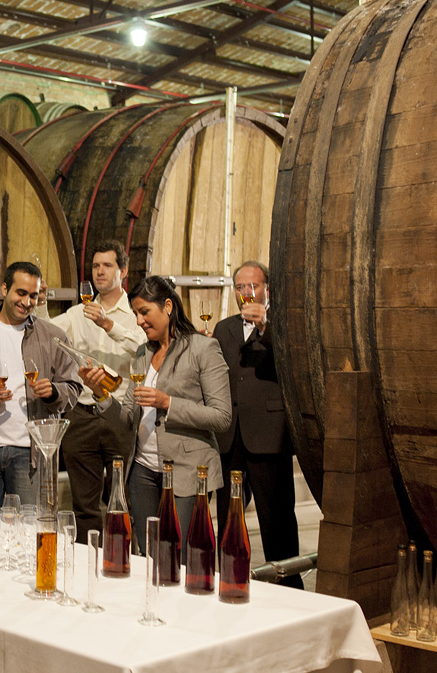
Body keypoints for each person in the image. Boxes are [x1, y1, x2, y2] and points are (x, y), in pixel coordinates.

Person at [79, 275, 231, 555]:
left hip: (187, 469)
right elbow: (126, 418)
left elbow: (221, 416)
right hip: (142, 471)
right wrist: (101, 394)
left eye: (144, 312)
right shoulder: (142, 353)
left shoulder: (203, 349)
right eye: (136, 313)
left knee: (180, 556)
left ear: (168, 306)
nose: (138, 321)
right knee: (150, 554)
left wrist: (168, 403)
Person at [0, 261, 82, 512]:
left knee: (30, 534)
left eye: (33, 295)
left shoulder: (54, 337)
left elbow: (73, 388)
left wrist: (53, 392)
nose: (27, 302)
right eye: (21, 293)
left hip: (31, 454)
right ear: (4, 289)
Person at [213, 261, 303, 588]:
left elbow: (294, 365)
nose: (247, 293)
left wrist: (266, 327)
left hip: (268, 435)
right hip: (230, 436)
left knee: (276, 519)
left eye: (254, 286)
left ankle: (292, 590)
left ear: (267, 289)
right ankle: (232, 581)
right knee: (228, 517)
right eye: (241, 287)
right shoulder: (224, 328)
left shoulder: (284, 326)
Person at [51, 241, 145, 543]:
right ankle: (85, 565)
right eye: (95, 266)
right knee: (84, 505)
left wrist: (108, 325)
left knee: (123, 500)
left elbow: (143, 348)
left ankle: (124, 564)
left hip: (119, 413)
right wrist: (38, 302)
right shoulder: (78, 312)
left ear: (123, 271)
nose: (99, 271)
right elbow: (46, 332)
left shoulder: (135, 313)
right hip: (81, 414)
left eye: (107, 265)